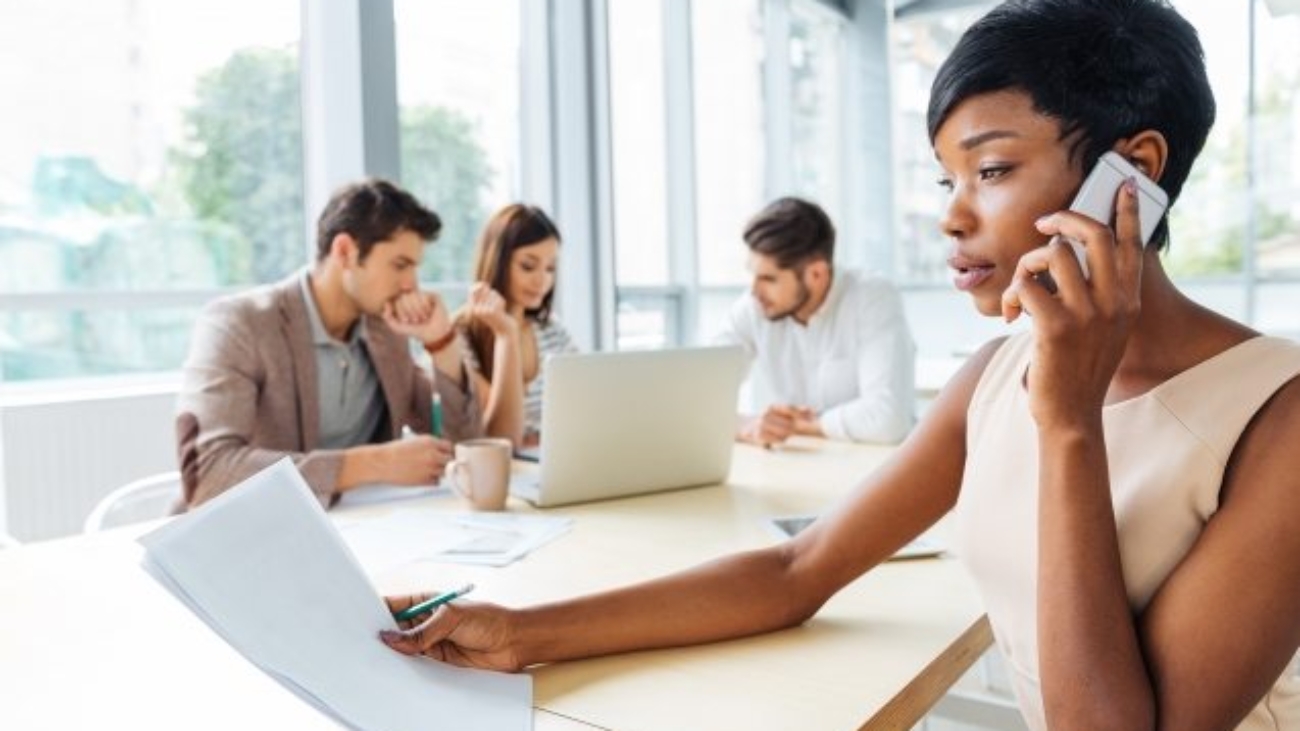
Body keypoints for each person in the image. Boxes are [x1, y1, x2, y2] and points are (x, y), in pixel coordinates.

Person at [379, 1, 1300, 728]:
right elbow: (797, 571)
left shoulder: (1279, 418)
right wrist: (523, 630)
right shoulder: (992, 378)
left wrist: (1069, 422)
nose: (949, 216)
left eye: (990, 170)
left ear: (1130, 172)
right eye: (946, 180)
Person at [176, 178, 485, 508]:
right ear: (345, 251)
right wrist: (371, 463)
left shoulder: (386, 331)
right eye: (400, 265)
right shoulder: (240, 324)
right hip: (248, 534)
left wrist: (441, 342)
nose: (411, 285)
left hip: (365, 530)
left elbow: (466, 447)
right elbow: (209, 474)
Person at [715, 196, 915, 447]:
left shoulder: (872, 297)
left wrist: (798, 426)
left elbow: (889, 419)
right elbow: (700, 397)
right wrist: (747, 426)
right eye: (753, 275)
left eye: (768, 278)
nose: (754, 290)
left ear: (816, 274)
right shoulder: (754, 306)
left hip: (872, 469)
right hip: (799, 467)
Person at [456, 203, 577, 448]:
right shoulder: (459, 335)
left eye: (550, 268)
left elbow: (585, 407)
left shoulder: (552, 331)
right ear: (497, 261)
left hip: (551, 459)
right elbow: (501, 436)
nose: (542, 280)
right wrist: (506, 334)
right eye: (528, 266)